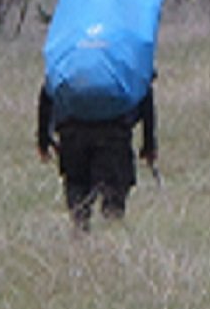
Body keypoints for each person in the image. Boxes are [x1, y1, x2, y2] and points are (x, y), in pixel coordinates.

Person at [36, 82, 156, 228]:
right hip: (114, 132)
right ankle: (111, 237)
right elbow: (144, 90)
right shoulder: (125, 60)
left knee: (77, 188)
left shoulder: (68, 60)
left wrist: (44, 139)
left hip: (72, 131)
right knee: (114, 192)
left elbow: (48, 90)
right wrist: (149, 144)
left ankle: (80, 234)